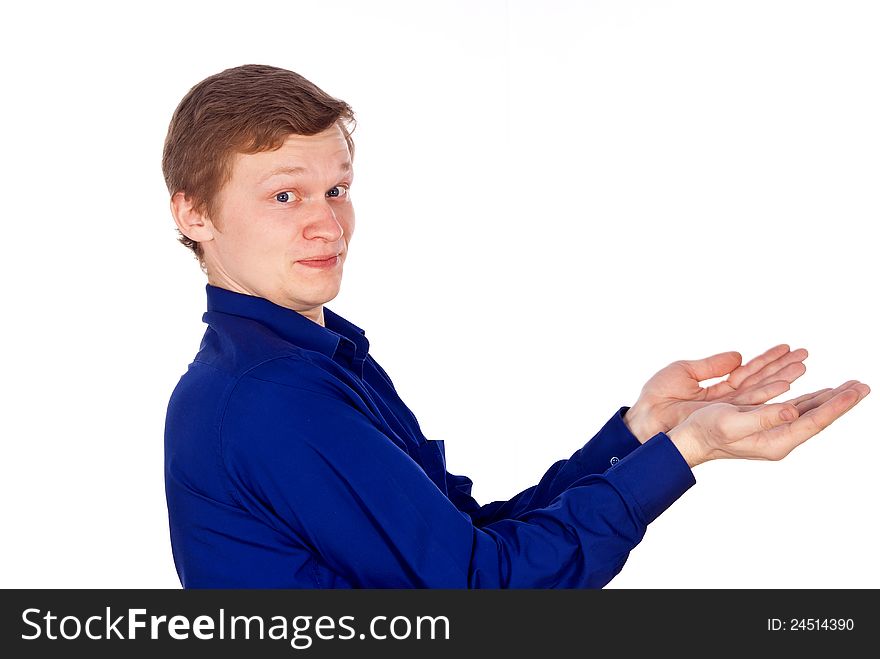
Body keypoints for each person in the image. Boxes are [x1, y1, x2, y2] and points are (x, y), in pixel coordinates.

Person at [163, 64, 870, 588]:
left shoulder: (318, 362)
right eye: (284, 194)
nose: (327, 223)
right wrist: (685, 452)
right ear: (194, 213)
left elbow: (467, 542)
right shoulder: (271, 398)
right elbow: (485, 594)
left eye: (337, 189)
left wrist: (641, 434)